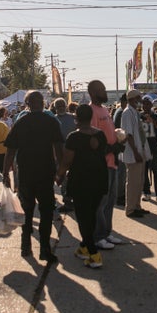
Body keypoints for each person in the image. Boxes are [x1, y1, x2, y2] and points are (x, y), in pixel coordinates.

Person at [3, 91, 64, 263]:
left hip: (26, 173)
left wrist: (6, 173)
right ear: (43, 103)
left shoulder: (21, 122)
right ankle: (44, 249)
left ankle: (25, 246)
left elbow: (10, 150)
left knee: (27, 210)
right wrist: (61, 171)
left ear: (27, 104)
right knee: (45, 211)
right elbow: (58, 148)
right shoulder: (51, 121)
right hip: (45, 173)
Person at [55, 104, 109, 269]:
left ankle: (94, 254)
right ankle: (84, 246)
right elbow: (103, 153)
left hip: (81, 181)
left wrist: (60, 175)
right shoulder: (100, 135)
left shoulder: (74, 137)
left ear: (76, 118)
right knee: (91, 214)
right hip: (99, 179)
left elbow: (67, 160)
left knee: (83, 217)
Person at [87, 80, 124, 251]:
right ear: (93, 92)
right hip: (101, 164)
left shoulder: (104, 110)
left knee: (111, 200)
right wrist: (110, 147)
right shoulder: (91, 111)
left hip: (112, 161)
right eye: (101, 89)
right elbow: (92, 140)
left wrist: (118, 141)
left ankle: (107, 232)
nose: (105, 91)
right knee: (100, 202)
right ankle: (98, 236)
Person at [121, 89, 151, 218]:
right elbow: (128, 135)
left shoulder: (134, 112)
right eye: (139, 98)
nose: (141, 101)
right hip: (134, 152)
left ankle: (137, 206)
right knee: (133, 182)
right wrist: (136, 152)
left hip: (140, 150)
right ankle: (130, 209)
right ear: (133, 99)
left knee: (139, 181)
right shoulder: (127, 113)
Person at [141, 97, 157, 202]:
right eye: (144, 104)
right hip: (144, 147)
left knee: (156, 170)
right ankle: (146, 192)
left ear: (151, 105)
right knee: (144, 171)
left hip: (155, 147)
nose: (146, 106)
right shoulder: (139, 116)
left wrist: (151, 120)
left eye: (148, 104)